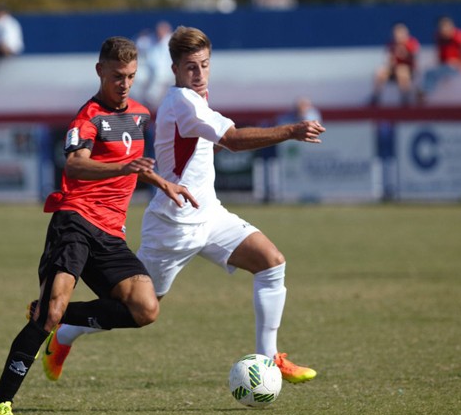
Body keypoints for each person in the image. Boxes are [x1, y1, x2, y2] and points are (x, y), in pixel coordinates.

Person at [44, 26, 326, 385]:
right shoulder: (182, 101)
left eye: (205, 65)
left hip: (209, 214)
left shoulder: (199, 100)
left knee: (271, 263)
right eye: (191, 67)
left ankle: (269, 359)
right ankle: (66, 330)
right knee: (138, 308)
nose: (199, 73)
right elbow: (233, 141)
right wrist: (290, 130)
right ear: (175, 69)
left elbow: (209, 144)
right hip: (173, 225)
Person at [0, 36, 198, 415]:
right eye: (117, 76)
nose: (125, 84)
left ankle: (55, 315)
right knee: (50, 313)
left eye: (131, 76)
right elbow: (74, 166)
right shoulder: (88, 117)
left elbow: (135, 163)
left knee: (146, 308)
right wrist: (123, 170)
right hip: (75, 222)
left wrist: (163, 183)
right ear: (100, 71)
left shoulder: (140, 114)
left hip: (111, 233)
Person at [417, 16, 461, 103]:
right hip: (443, 66)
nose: (444, 29)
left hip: (454, 67)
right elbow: (440, 53)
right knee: (429, 71)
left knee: (432, 73)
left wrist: (459, 62)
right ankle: (423, 92)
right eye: (442, 27)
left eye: (446, 26)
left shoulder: (458, 35)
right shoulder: (439, 37)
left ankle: (425, 92)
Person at [370, 22, 419, 106]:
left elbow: (414, 59)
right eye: (396, 33)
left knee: (402, 70)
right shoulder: (391, 44)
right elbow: (389, 61)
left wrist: (403, 52)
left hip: (408, 71)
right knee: (380, 71)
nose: (399, 35)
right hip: (393, 70)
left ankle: (405, 98)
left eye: (401, 32)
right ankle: (375, 97)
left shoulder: (412, 43)